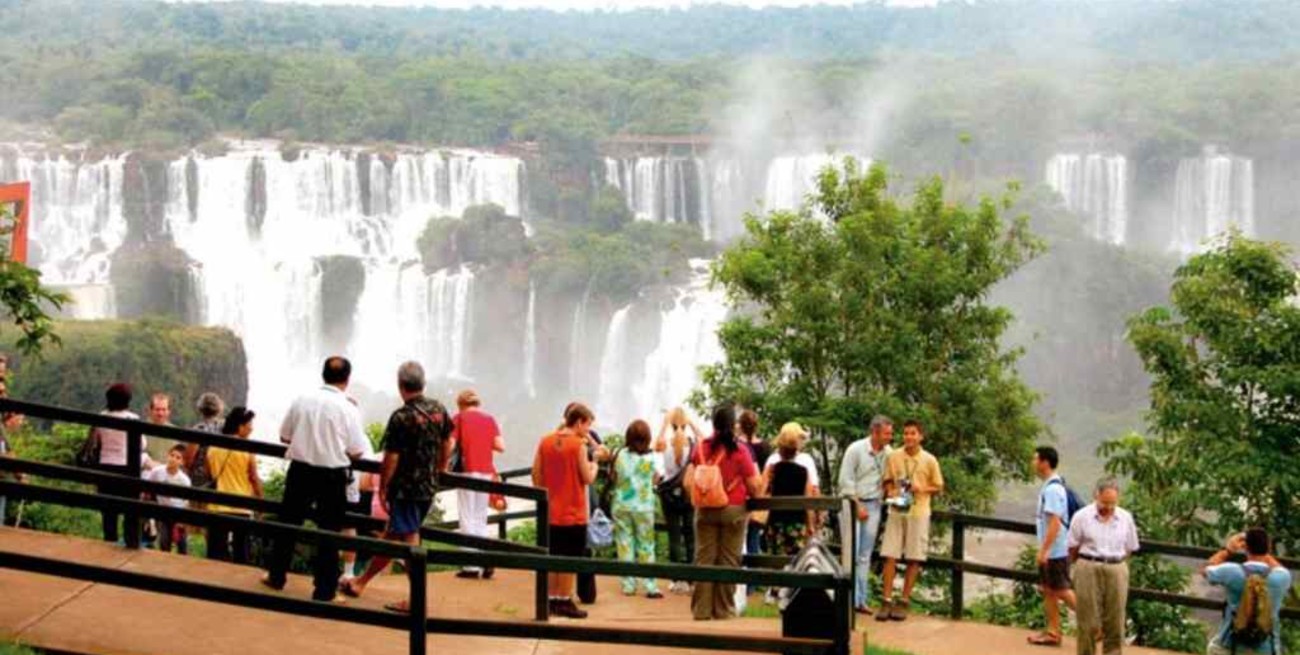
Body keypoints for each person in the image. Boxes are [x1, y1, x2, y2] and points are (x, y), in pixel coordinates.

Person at [340, 362, 454, 612]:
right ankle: (360, 582)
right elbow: (448, 441)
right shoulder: (439, 409)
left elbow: (391, 456)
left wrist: (384, 487)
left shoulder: (401, 416)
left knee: (409, 540)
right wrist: (442, 468)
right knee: (395, 536)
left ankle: (417, 600)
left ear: (401, 385)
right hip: (427, 488)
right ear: (422, 383)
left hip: (406, 489)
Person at [262, 357, 369, 602]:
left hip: (300, 471)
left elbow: (284, 436)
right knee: (329, 533)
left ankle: (276, 576)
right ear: (347, 379)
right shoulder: (348, 408)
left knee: (288, 524)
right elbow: (357, 451)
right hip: (331, 476)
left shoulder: (302, 400)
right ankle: (324, 590)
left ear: (323, 375)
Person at [684, 402, 763, 621]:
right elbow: (754, 486)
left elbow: (688, 481)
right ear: (733, 424)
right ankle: (723, 611)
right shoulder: (740, 450)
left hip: (705, 511)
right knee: (729, 561)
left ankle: (701, 611)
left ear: (713, 423)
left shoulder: (701, 447)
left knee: (704, 559)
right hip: (733, 510)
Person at [532, 402, 599, 619]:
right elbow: (586, 478)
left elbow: (536, 475)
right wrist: (595, 464)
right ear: (579, 422)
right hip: (573, 512)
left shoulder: (545, 441)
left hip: (551, 511)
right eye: (587, 426)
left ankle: (551, 599)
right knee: (570, 559)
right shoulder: (578, 445)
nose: (587, 431)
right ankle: (565, 600)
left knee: (553, 556)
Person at [877, 419, 943, 622]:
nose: (909, 437)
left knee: (914, 557)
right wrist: (891, 491)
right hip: (897, 508)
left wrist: (921, 489)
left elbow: (939, 486)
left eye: (913, 433)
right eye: (906, 433)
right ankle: (886, 600)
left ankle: (904, 601)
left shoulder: (930, 460)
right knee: (890, 555)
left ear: (920, 436)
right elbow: (887, 480)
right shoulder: (894, 456)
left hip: (919, 511)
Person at [1067, 478, 1140, 655]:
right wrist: (1082, 566)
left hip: (1116, 567)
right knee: (1088, 621)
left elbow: (1130, 547)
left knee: (1115, 620)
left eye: (1112, 503)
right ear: (1096, 496)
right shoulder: (1081, 516)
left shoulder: (1125, 518)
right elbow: (1072, 546)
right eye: (1104, 502)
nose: (1108, 507)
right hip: (1088, 565)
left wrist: (1116, 564)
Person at [1202, 528, 1292, 655]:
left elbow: (1205, 569)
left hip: (1230, 646)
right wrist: (1265, 550)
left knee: (1213, 647)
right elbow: (1278, 567)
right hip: (1267, 649)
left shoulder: (1232, 571)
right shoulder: (1282, 577)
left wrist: (1228, 550)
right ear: (1269, 548)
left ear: (1246, 547)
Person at [838, 414, 893, 614]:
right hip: (852, 503)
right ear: (875, 432)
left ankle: (860, 600)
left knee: (864, 556)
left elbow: (891, 478)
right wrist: (857, 505)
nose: (890, 437)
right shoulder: (855, 450)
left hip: (874, 504)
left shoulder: (888, 453)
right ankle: (848, 599)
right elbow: (845, 481)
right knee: (850, 553)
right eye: (887, 433)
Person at [450, 389, 504, 580]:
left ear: (461, 404)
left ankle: (470, 566)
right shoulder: (489, 419)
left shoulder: (459, 418)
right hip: (486, 471)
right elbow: (500, 446)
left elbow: (450, 444)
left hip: (467, 470)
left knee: (467, 515)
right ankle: (484, 558)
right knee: (480, 516)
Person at [1027, 446, 1078, 647]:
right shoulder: (1050, 486)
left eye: (1035, 459)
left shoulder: (1054, 489)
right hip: (1053, 550)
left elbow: (1055, 522)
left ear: (1045, 462)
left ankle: (1095, 624)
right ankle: (1053, 632)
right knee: (1048, 589)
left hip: (1056, 550)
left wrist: (1044, 551)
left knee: (1062, 590)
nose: (1033, 463)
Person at [91, 383, 153, 543]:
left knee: (109, 513)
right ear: (127, 400)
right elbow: (142, 444)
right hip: (128, 468)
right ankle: (130, 542)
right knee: (130, 510)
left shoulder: (101, 417)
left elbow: (96, 442)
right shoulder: (133, 419)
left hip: (106, 467)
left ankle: (109, 542)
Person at [611, 419, 663, 599]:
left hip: (622, 506)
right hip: (644, 507)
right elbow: (656, 479)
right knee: (646, 545)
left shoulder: (620, 454)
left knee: (625, 545)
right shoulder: (652, 458)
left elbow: (615, 477)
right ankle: (650, 586)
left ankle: (628, 585)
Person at [654, 406, 703, 595]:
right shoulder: (693, 444)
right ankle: (692, 579)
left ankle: (676, 580)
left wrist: (665, 424)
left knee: (674, 535)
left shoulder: (665, 444)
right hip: (688, 494)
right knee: (691, 535)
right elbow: (705, 440)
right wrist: (690, 423)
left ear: (671, 424)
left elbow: (654, 445)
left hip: (668, 494)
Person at [207, 407, 263, 564]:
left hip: (217, 507)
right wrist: (260, 501)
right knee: (241, 554)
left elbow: (210, 473)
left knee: (216, 554)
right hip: (241, 507)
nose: (251, 428)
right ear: (240, 426)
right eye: (249, 424)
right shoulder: (247, 449)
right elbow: (253, 478)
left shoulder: (214, 447)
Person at [762, 422, 820, 557]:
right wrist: (811, 524)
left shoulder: (772, 468)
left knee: (775, 561)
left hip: (775, 522)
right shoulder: (804, 471)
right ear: (796, 450)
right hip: (797, 523)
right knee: (796, 561)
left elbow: (760, 491)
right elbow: (808, 499)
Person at [143, 444, 192, 554]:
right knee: (164, 541)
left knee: (182, 543)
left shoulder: (184, 480)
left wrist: (182, 520)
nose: (173, 459)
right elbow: (148, 489)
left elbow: (186, 502)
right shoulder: (157, 472)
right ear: (167, 455)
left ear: (182, 462)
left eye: (178, 457)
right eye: (172, 455)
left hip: (179, 513)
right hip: (163, 512)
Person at [739, 409, 770, 558]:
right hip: (759, 495)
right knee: (753, 539)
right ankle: (753, 580)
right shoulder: (765, 447)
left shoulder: (737, 445)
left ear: (740, 425)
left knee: (738, 540)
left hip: (740, 496)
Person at [185, 392, 225, 492]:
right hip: (218, 476)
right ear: (219, 408)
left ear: (201, 408)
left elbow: (189, 460)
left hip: (199, 478)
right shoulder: (224, 428)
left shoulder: (199, 429)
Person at [145, 392, 178, 462]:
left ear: (169, 411)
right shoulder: (142, 429)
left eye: (164, 410)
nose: (160, 413)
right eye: (157, 409)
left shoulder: (174, 431)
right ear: (150, 410)